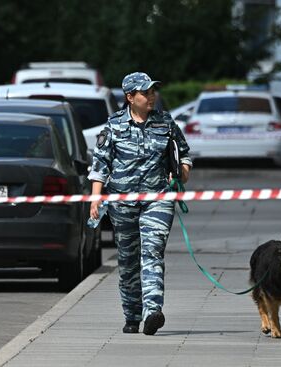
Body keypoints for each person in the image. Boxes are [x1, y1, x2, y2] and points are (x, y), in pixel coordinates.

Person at [87, 72, 192, 335]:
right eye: (146, 93)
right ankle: (132, 315)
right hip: (122, 203)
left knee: (152, 253)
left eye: (153, 91)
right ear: (130, 97)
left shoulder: (166, 123)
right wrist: (95, 198)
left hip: (157, 199)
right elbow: (100, 165)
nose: (152, 96)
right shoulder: (113, 126)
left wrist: (181, 172)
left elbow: (185, 154)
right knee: (128, 261)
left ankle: (152, 311)